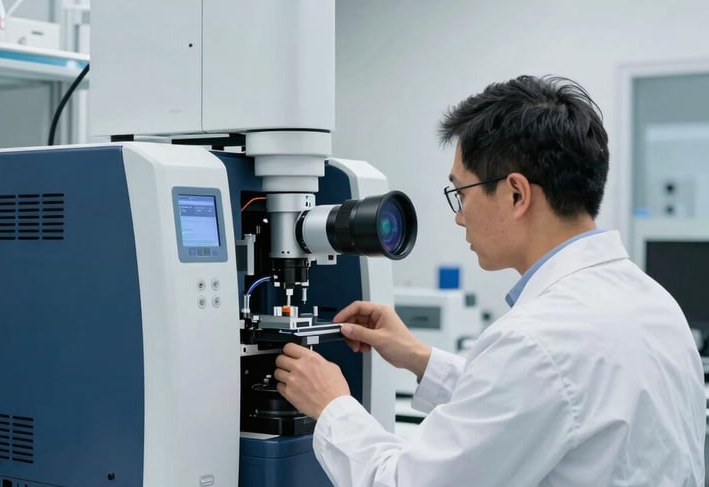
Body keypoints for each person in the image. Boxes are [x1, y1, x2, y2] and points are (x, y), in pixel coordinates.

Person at [273, 75, 706, 486]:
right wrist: (420, 358)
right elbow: (545, 404)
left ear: (516, 194)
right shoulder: (654, 303)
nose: (459, 217)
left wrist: (333, 406)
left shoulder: (536, 341)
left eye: (461, 194)